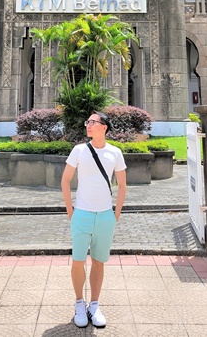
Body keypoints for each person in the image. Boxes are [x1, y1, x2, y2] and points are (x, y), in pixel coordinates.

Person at [61, 110, 127, 328]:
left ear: (104, 127)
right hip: (82, 214)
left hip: (105, 216)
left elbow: (123, 185)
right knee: (78, 260)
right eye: (87, 122)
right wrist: (71, 211)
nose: (88, 125)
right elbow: (65, 180)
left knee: (98, 262)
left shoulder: (115, 152)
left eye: (93, 122)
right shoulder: (79, 150)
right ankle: (79, 302)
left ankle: (94, 305)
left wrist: (115, 214)